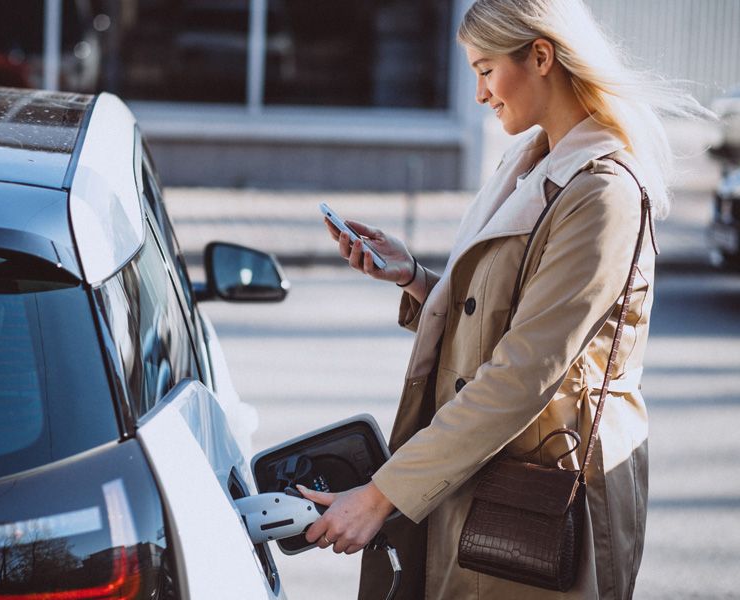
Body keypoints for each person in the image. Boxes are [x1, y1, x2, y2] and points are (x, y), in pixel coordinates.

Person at [297, 1, 712, 598]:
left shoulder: (602, 194)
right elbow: (496, 319)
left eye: (486, 70)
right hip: (483, 477)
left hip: (543, 498)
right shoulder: (528, 165)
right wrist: (412, 276)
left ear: (540, 56)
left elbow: (523, 371)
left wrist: (382, 494)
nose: (480, 94)